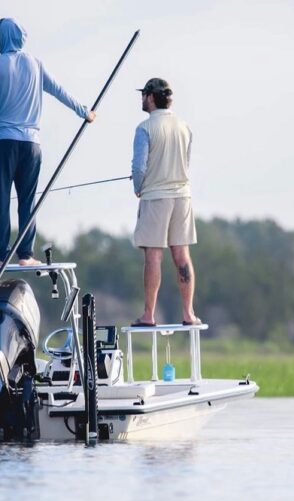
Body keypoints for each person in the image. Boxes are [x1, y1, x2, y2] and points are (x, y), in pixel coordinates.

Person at [0, 18, 95, 266]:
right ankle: (25, 255)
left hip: (3, 143)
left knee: (1, 198)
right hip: (31, 146)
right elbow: (60, 91)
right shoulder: (36, 64)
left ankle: (1, 255)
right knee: (28, 199)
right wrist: (84, 111)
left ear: (4, 37)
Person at [131, 78, 200, 326]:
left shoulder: (144, 128)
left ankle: (149, 314)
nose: (141, 99)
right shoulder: (185, 127)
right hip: (183, 196)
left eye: (143, 95)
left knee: (153, 255)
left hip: (155, 197)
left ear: (150, 97)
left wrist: (138, 187)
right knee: (182, 255)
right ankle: (189, 313)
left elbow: (139, 167)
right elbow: (187, 162)